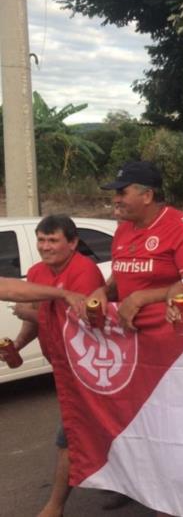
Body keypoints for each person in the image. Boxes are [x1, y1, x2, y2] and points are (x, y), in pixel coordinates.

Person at [4, 215, 105, 517]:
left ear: (72, 243)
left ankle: (54, 506)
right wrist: (18, 346)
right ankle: (123, 486)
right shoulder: (36, 271)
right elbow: (39, 315)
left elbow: (77, 323)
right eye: (41, 240)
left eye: (53, 240)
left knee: (68, 437)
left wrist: (28, 311)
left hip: (86, 372)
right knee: (101, 434)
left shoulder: (84, 272)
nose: (45, 247)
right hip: (60, 370)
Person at [87, 160, 183, 331]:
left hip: (169, 336)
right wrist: (104, 292)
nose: (115, 199)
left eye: (122, 192)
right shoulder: (123, 230)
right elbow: (121, 278)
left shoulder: (182, 225)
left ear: (147, 196)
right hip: (131, 337)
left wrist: (142, 298)